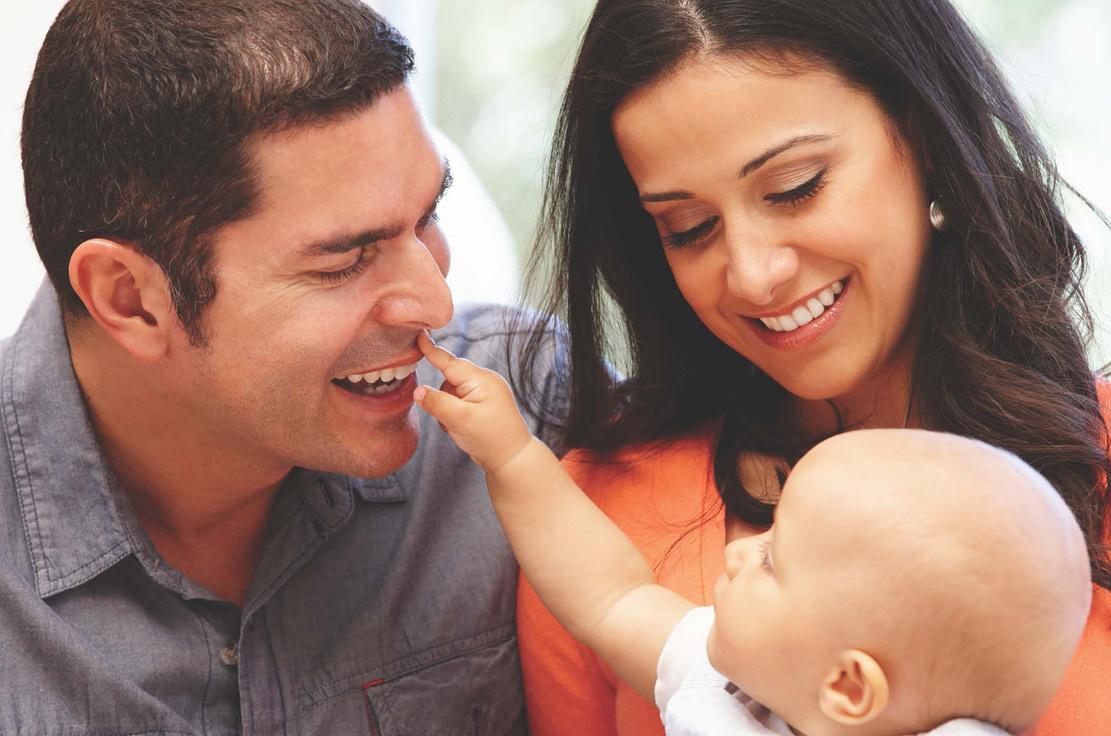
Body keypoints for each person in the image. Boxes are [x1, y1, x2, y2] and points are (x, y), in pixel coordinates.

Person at [511, 1, 1111, 734]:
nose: (754, 277)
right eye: (688, 229)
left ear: (923, 138)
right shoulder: (591, 523)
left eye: (794, 186)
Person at [0, 1, 566, 733]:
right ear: (131, 299)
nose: (434, 299)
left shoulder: (533, 407)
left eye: (427, 216)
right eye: (345, 259)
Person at [416, 335, 1092, 735]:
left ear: (849, 688)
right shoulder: (731, 691)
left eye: (772, 561)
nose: (739, 549)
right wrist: (511, 457)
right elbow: (610, 596)